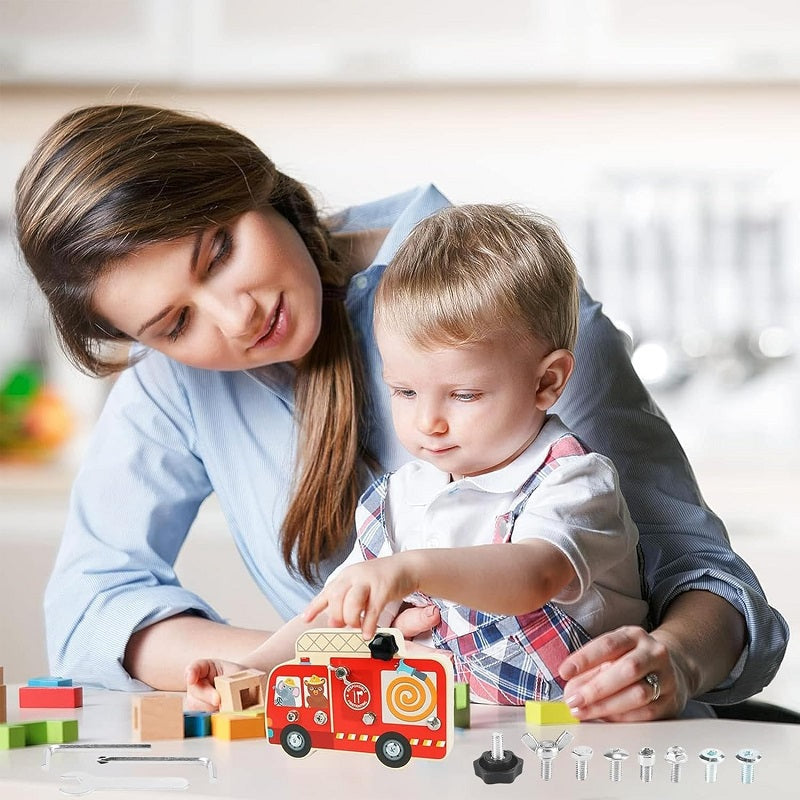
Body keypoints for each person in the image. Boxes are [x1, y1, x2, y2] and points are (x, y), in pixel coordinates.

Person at [14, 104, 787, 722]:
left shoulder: (495, 308)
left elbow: (707, 581)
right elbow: (91, 610)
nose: (235, 314)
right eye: (175, 324)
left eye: (217, 251)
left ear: (247, 178)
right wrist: (314, 659)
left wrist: (677, 661)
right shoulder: (177, 382)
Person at [185, 203, 650, 709]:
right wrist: (253, 668)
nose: (428, 422)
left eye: (464, 394)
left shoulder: (574, 481)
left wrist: (411, 569)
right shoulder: (403, 496)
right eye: (404, 392)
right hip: (466, 740)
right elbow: (335, 614)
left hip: (592, 735)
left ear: (547, 381)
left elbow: (533, 575)